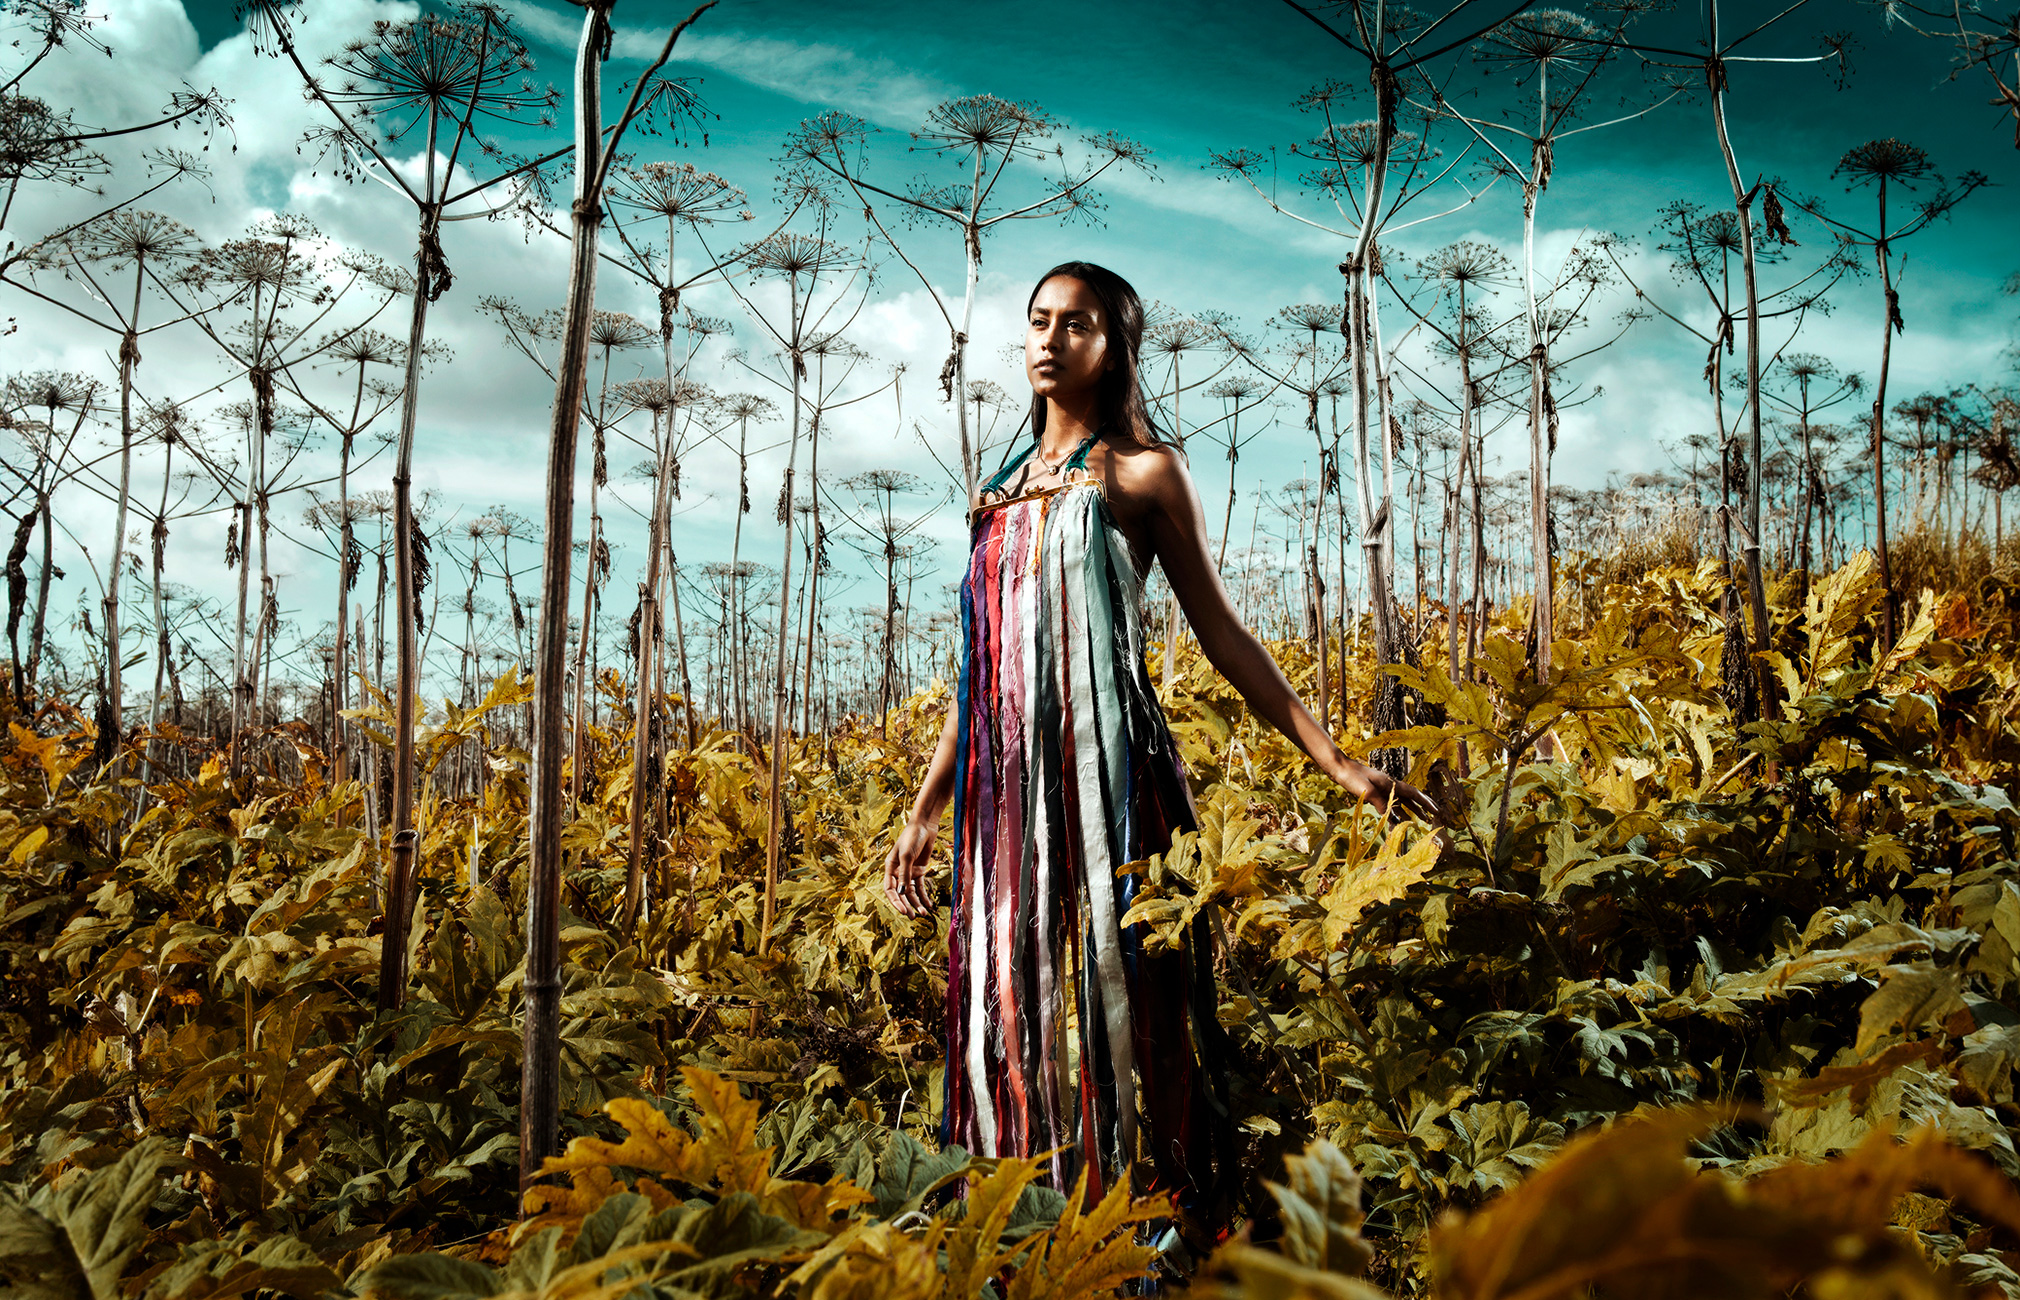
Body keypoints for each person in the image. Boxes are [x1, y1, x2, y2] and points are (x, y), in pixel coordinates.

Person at [883, 261, 1436, 1242]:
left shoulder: (1141, 474)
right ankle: (1016, 1231)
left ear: (1113, 345)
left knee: (1126, 1002)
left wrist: (1339, 761)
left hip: (1112, 782)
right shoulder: (994, 495)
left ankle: (1145, 1230)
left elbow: (1223, 635)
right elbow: (980, 679)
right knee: (1001, 1009)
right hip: (1005, 800)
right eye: (1038, 322)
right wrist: (928, 810)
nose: (1050, 340)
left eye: (1077, 323)